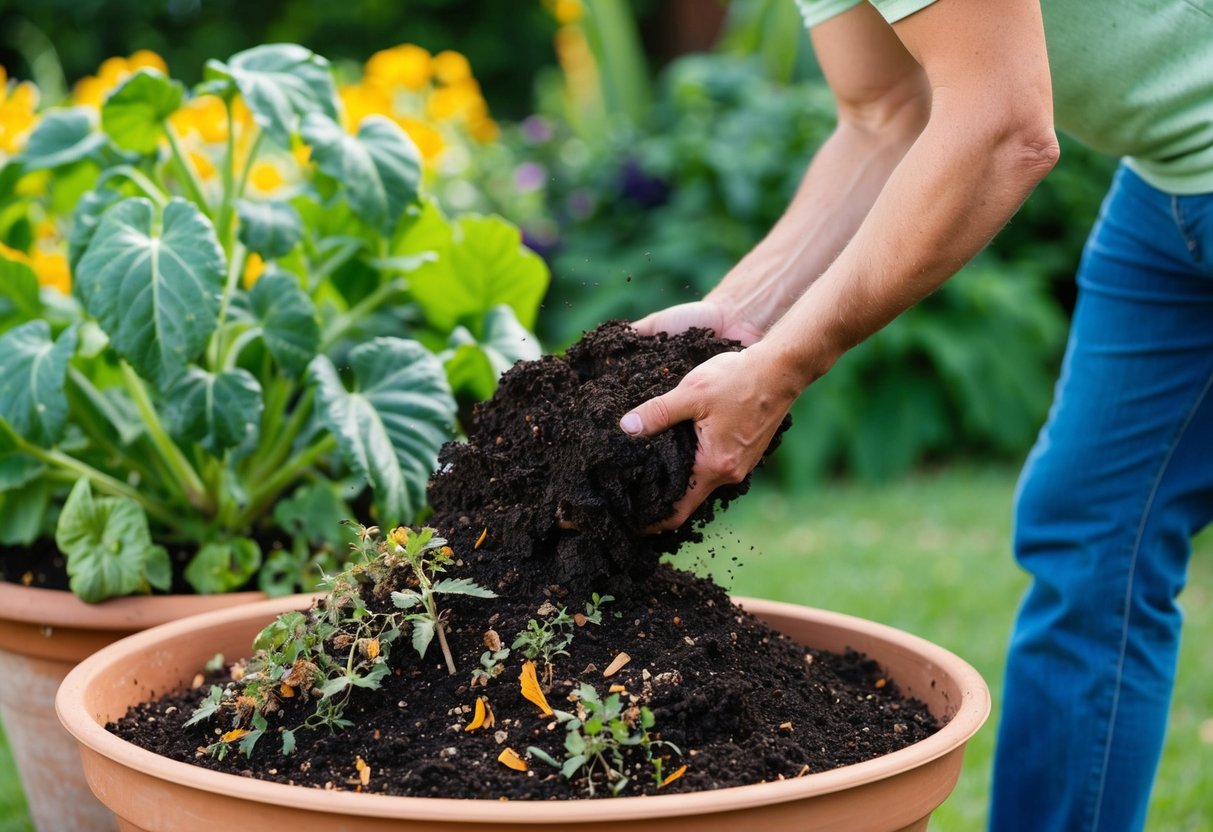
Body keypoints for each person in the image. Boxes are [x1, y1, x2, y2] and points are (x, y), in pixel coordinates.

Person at [616, 0, 1213, 829]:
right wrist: (738, 317)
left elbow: (1004, 128)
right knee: (1091, 538)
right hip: (1172, 187)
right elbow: (886, 113)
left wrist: (782, 367)